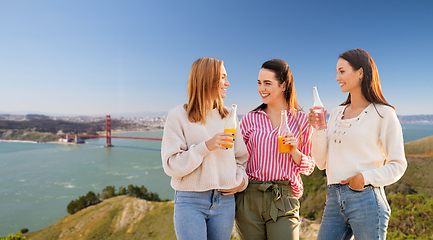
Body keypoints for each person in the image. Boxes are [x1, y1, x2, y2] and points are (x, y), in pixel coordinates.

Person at [308, 48, 407, 240]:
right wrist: (317, 129)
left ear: (360, 72)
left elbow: (398, 165)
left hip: (367, 200)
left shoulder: (384, 113)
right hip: (333, 199)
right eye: (337, 72)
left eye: (342, 71)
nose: (337, 77)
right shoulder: (336, 112)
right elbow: (321, 162)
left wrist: (363, 177)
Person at [161, 57, 249, 240]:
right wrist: (206, 146)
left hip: (225, 202)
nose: (228, 83)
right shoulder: (178, 116)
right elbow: (171, 165)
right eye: (223, 77)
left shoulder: (229, 117)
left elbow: (241, 159)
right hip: (190, 201)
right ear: (207, 79)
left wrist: (241, 182)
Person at [235, 59, 315, 240]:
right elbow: (237, 159)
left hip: (284, 198)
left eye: (267, 83)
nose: (261, 88)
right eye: (259, 83)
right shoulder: (249, 119)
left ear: (283, 85)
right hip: (248, 197)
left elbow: (309, 168)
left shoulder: (302, 122)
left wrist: (294, 151)